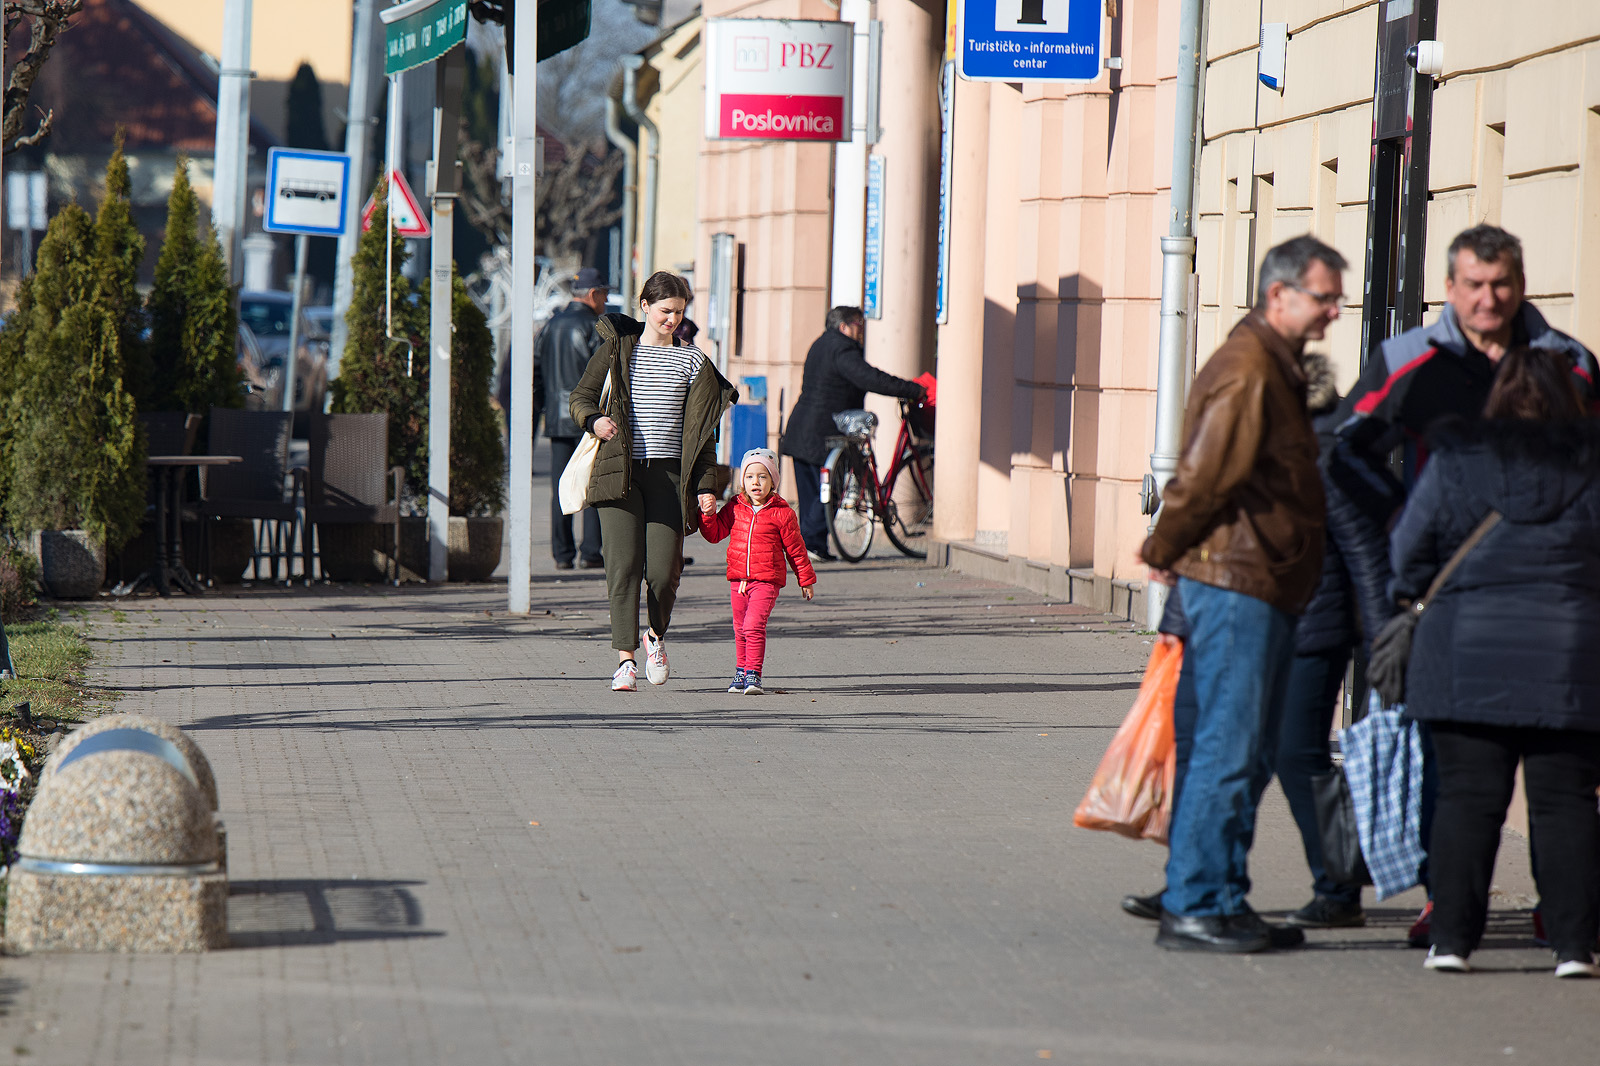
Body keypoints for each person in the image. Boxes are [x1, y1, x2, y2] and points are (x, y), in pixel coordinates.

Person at [1327, 224, 1600, 947]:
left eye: (1502, 283)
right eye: (1474, 285)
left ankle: (1560, 908)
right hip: (1451, 595)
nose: (1488, 298)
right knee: (1451, 761)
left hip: (1557, 595)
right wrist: (1396, 525)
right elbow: (1345, 449)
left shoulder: (1567, 363)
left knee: (1559, 782)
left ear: (1521, 283)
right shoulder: (1409, 360)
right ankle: (1443, 901)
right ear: (1450, 288)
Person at [1137, 235, 1344, 953]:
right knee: (1230, 747)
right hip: (1238, 583)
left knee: (1246, 750)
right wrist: (1162, 548)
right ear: (1278, 294)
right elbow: (1204, 477)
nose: (1335, 312)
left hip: (1262, 581)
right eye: (1324, 296)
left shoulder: (1271, 365)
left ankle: (1222, 898)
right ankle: (1197, 903)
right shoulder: (1251, 368)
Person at [1121, 351, 1367, 930]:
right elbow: (1208, 551)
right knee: (1213, 752)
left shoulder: (1322, 455)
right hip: (1228, 631)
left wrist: (1384, 641)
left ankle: (1337, 885)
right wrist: (1176, 629)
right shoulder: (1239, 454)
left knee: (1293, 754)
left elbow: (1365, 553)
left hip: (1309, 631)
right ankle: (1192, 880)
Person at [1388, 346, 1600, 978]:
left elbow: (1407, 550)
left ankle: (1451, 941)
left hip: (1463, 655)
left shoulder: (1455, 463)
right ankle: (1572, 947)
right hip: (1570, 660)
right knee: (1564, 803)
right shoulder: (1592, 469)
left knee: (1466, 800)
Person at [569, 271, 738, 692]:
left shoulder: (693, 361)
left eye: (680, 313)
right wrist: (594, 420)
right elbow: (580, 398)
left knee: (664, 572)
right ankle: (625, 659)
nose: (673, 320)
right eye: (666, 311)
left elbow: (703, 436)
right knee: (623, 567)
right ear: (644, 306)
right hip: (620, 472)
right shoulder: (616, 350)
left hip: (670, 477)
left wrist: (705, 486)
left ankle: (655, 637)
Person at [782, 306, 927, 562]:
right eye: (858, 324)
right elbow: (869, 378)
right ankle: (813, 544)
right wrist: (912, 389)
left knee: (810, 491)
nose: (862, 330)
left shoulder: (820, 344)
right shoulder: (842, 348)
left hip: (801, 427)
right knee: (829, 491)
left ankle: (809, 545)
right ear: (844, 326)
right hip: (825, 431)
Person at [698, 447, 817, 695]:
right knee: (740, 627)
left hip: (767, 580)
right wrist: (708, 515)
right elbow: (715, 534)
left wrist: (805, 579)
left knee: (753, 625)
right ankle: (741, 671)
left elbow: (796, 549)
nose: (756, 482)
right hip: (738, 580)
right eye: (750, 477)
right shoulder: (734, 507)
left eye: (763, 477)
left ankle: (754, 673)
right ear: (743, 481)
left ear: (772, 481)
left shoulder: (782, 513)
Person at [534, 267, 609, 570]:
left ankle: (562, 554)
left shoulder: (551, 326)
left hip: (556, 420)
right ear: (593, 295)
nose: (605, 299)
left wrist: (542, 411)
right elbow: (605, 377)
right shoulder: (596, 327)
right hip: (590, 419)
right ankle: (591, 552)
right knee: (593, 484)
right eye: (603, 293)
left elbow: (536, 372)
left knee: (561, 486)